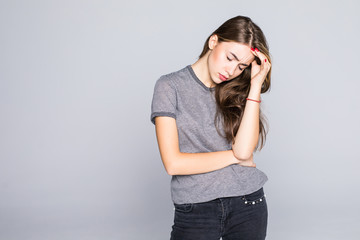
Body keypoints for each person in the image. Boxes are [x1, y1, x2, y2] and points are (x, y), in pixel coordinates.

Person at [150, 15, 272, 240]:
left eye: (241, 65)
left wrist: (254, 87)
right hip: (196, 209)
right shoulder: (169, 86)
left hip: (248, 203)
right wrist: (235, 157)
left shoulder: (237, 90)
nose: (232, 70)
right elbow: (173, 163)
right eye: (230, 57)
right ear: (213, 41)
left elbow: (245, 150)